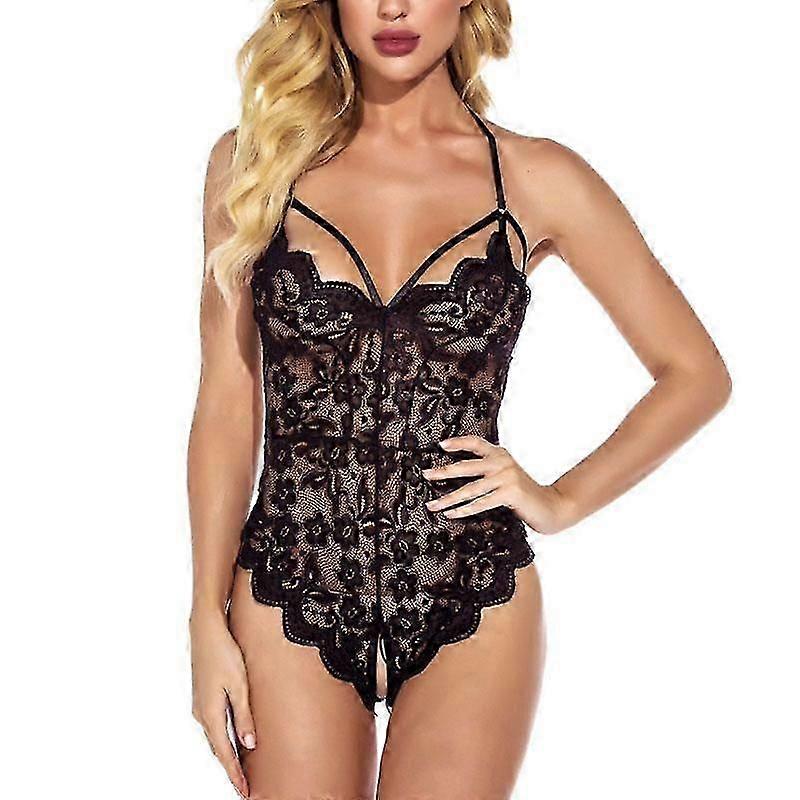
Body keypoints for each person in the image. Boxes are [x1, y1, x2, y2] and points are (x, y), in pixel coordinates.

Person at [187, 2, 732, 798]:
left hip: (471, 587)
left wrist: (558, 500)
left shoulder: (535, 178)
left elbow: (695, 372)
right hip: (289, 578)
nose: (394, 7)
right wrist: (204, 616)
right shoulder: (255, 163)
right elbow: (227, 401)